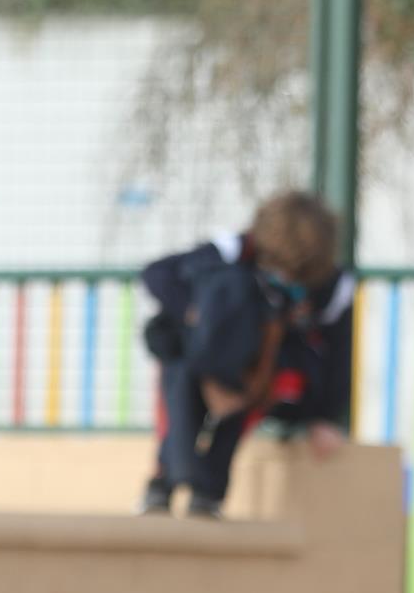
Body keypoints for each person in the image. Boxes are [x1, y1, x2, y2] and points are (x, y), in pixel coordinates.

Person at [139, 191, 355, 518]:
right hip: (209, 356)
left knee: (252, 392)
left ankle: (207, 489)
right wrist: (194, 312)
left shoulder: (330, 286)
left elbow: (340, 354)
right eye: (279, 269)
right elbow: (157, 274)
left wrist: (327, 418)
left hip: (267, 374)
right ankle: (166, 479)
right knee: (182, 376)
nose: (285, 279)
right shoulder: (236, 251)